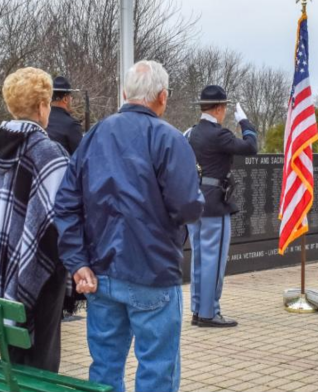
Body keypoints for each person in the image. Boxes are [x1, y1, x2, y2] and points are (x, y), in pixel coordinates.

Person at [55, 60, 204, 392]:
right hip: (151, 271)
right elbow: (188, 206)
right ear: (163, 97)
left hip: (101, 273)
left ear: (125, 93)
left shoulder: (93, 136)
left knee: (105, 368)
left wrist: (77, 262)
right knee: (157, 369)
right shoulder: (168, 139)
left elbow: (65, 203)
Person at [0, 67, 69, 372]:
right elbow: (60, 222)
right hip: (40, 276)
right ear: (40, 107)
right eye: (48, 103)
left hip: (0, 269)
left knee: (15, 360)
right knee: (42, 363)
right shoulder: (49, 153)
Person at [185, 85, 258, 328]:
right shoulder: (218, 134)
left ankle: (198, 310)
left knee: (198, 259)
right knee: (213, 262)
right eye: (225, 108)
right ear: (218, 108)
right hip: (215, 202)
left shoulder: (192, 132)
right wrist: (245, 122)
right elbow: (251, 147)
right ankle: (209, 313)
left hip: (196, 201)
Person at [47, 76, 83, 155]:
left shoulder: (41, 120)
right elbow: (80, 157)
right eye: (70, 97)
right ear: (65, 99)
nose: (71, 99)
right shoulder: (71, 125)